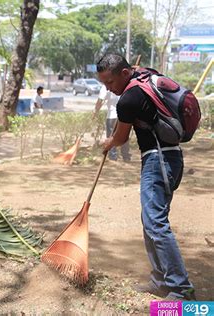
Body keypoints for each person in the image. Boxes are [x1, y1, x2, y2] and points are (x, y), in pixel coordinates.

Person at [97, 54, 196, 301]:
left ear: (123, 73)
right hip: (171, 159)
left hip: (158, 160)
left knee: (156, 223)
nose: (108, 88)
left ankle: (181, 290)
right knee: (151, 219)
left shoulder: (129, 98)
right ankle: (160, 280)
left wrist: (107, 142)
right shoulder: (146, 75)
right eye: (104, 84)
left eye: (109, 82)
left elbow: (120, 138)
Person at [93, 84, 131, 161]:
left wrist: (96, 111)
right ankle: (126, 156)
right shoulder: (122, 83)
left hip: (112, 115)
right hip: (124, 116)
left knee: (111, 136)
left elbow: (100, 100)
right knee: (124, 134)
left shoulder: (106, 86)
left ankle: (113, 156)